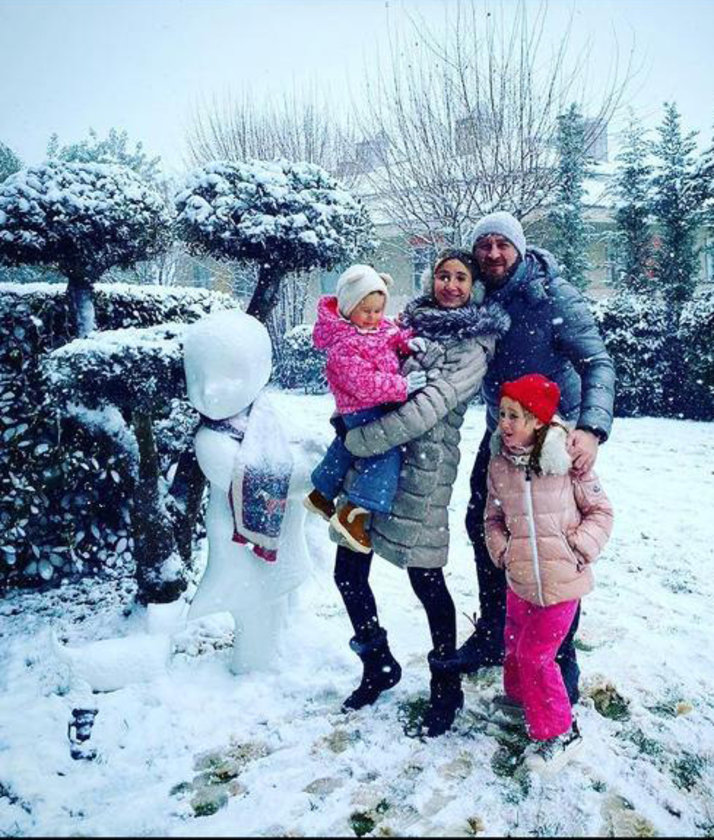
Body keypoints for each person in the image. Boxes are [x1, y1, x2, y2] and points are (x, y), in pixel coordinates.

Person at [330, 249, 510, 736]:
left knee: (426, 579)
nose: (450, 284)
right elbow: (364, 376)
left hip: (423, 470)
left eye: (460, 277)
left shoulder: (475, 345)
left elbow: (428, 407)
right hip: (374, 464)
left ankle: (445, 686)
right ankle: (377, 664)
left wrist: (356, 440)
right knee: (348, 570)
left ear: (472, 286)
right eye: (442, 275)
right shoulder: (404, 326)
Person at [458, 211, 616, 706]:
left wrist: (590, 429)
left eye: (502, 244)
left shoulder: (551, 294)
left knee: (554, 543)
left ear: (520, 249)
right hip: (501, 436)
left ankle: (560, 659)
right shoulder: (477, 297)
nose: (493, 253)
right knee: (485, 526)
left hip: (553, 440)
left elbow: (597, 362)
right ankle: (496, 631)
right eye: (483, 245)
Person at [484, 373, 613, 775]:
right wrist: (502, 550)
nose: (505, 424)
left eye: (515, 416)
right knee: (513, 644)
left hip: (562, 583)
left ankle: (560, 731)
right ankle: (521, 702)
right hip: (520, 580)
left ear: (538, 420)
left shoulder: (568, 462)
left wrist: (579, 547)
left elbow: (601, 512)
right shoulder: (499, 464)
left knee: (536, 655)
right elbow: (492, 517)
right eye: (502, 414)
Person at [304, 264, 427, 554]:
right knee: (384, 451)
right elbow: (364, 383)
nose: (373, 317)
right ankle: (355, 513)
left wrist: (408, 341)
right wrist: (402, 386)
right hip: (361, 407)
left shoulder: (376, 327)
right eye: (366, 310)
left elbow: (391, 335)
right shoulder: (344, 344)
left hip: (374, 405)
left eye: (378, 310)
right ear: (349, 309)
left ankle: (321, 493)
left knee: (347, 447)